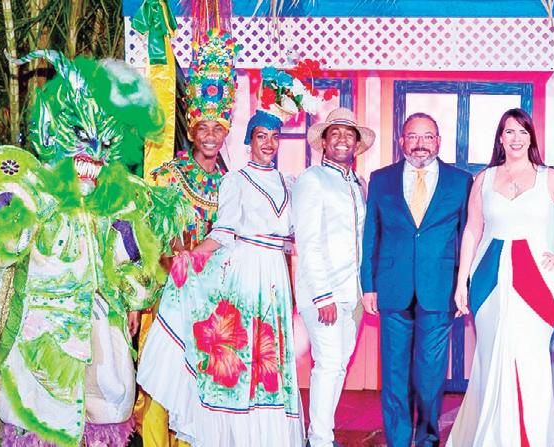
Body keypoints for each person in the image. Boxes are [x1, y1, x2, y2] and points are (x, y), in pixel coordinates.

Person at [0, 50, 175, 447]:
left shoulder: (116, 205)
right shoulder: (34, 190)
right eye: (81, 136)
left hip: (99, 336)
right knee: (37, 416)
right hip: (41, 335)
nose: (93, 151)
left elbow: (136, 281)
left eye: (105, 141)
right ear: (55, 132)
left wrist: (131, 277)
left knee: (104, 405)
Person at [136, 96, 305, 445]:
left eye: (274, 137)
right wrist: (188, 259)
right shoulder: (227, 180)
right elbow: (221, 233)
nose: (268, 143)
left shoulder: (286, 183)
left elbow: (294, 240)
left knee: (261, 363)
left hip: (265, 281)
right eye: (261, 136)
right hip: (222, 278)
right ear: (248, 140)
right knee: (219, 364)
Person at [447, 108, 554, 446]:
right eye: (509, 131)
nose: (516, 138)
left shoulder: (548, 177)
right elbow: (472, 230)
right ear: (500, 138)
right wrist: (462, 282)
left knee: (529, 358)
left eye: (523, 132)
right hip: (487, 280)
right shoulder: (484, 179)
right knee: (491, 356)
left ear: (531, 138)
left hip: (536, 282)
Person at [135, 26, 236, 447]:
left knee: (203, 384)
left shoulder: (232, 183)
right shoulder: (169, 175)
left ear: (226, 131)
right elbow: (151, 235)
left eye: (218, 128)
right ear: (192, 129)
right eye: (203, 127)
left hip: (214, 299)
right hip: (170, 293)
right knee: (163, 383)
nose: (210, 135)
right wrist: (174, 262)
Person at [360, 113, 473, 447]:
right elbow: (371, 235)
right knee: (394, 376)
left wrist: (463, 286)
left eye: (427, 136)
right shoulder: (381, 179)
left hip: (439, 291)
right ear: (401, 141)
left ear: (438, 142)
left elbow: (467, 237)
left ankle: (426, 440)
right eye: (412, 136)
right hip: (392, 290)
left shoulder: (460, 182)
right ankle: (397, 441)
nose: (420, 144)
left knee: (429, 378)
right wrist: (368, 285)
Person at [292, 107, 374, 447]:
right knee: (327, 364)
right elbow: (307, 240)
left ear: (356, 143)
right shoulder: (312, 180)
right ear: (324, 142)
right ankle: (319, 440)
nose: (342, 139)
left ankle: (321, 434)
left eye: (348, 134)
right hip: (323, 293)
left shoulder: (358, 184)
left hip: (353, 294)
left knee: (338, 365)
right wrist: (321, 295)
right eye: (335, 133)